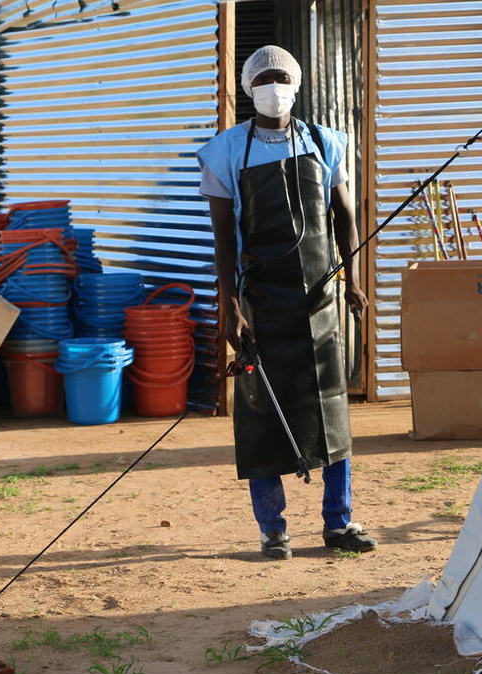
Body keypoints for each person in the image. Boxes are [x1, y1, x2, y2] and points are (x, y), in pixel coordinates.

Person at [196, 45, 378, 559]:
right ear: (249, 87)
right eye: (264, 79)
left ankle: (338, 524)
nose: (273, 87)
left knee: (332, 411)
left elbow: (345, 217)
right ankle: (272, 529)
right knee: (262, 415)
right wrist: (229, 306)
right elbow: (222, 239)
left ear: (296, 84)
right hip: (259, 302)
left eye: (282, 78)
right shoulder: (225, 151)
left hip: (319, 299)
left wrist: (353, 280)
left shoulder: (326, 142)